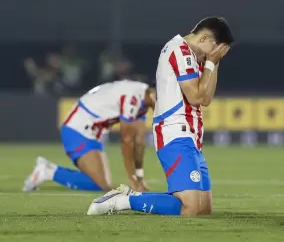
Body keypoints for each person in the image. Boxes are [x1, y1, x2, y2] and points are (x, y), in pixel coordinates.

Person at [87, 16, 234, 217]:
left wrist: (213, 64)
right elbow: (195, 96)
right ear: (204, 38)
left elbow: (205, 99)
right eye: (215, 50)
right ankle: (124, 199)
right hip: (175, 133)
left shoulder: (193, 55)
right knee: (189, 209)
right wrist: (210, 64)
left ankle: (132, 198)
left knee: (203, 210)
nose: (213, 56)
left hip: (190, 137)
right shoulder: (179, 50)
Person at [23, 80, 155, 192]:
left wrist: (140, 177)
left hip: (92, 133)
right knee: (101, 185)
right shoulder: (132, 97)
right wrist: (133, 180)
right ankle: (48, 171)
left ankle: (48, 170)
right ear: (152, 92)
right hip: (78, 129)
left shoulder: (143, 98)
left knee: (100, 184)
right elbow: (127, 140)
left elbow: (138, 142)